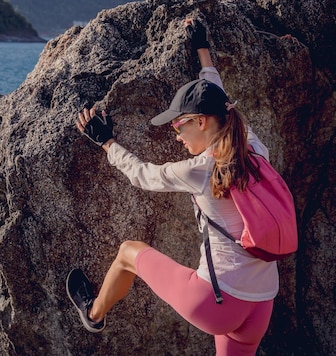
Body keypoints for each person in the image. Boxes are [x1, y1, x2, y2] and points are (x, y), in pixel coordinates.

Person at [67, 18, 278, 355]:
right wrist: (202, 50)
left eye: (179, 126)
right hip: (261, 303)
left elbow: (143, 174)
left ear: (200, 122)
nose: (177, 136)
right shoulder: (254, 147)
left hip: (216, 301)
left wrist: (106, 142)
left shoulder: (202, 168)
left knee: (128, 253)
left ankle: (93, 314)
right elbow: (220, 97)